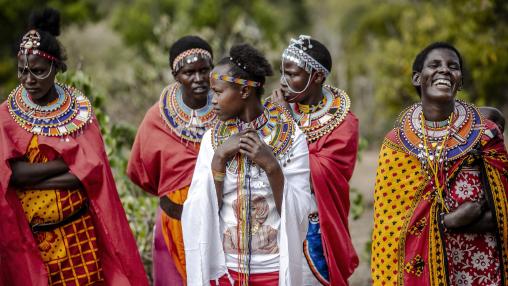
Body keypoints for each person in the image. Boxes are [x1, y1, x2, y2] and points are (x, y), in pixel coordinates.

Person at [0, 8, 148, 285]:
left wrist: (34, 177)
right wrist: (66, 165)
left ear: (56, 68)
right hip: (31, 242)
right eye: (23, 71)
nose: (29, 79)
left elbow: (93, 174)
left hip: (78, 234)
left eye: (39, 71)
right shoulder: (6, 116)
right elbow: (11, 177)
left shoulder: (79, 113)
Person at [371, 42, 508, 285]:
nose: (444, 70)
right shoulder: (397, 144)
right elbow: (391, 226)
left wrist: (469, 220)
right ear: (417, 78)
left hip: (484, 263)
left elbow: (502, 207)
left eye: (452, 66)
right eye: (434, 65)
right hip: (424, 269)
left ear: (460, 81)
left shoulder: (485, 133)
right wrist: (448, 221)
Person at [181, 43, 312, 285]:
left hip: (274, 269)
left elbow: (302, 212)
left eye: (219, 92)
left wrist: (272, 167)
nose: (213, 101)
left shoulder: (291, 137)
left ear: (243, 91)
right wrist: (219, 159)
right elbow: (200, 210)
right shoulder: (213, 140)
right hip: (225, 269)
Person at [127, 35, 216, 285]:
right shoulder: (156, 118)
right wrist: (178, 192)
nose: (198, 79)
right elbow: (140, 171)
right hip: (171, 222)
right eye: (189, 72)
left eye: (204, 71)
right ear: (176, 75)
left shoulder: (227, 110)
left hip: (220, 224)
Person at [270, 35, 359, 286]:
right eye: (282, 73)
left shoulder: (345, 123)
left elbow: (315, 174)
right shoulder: (274, 112)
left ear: (317, 77)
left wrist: (287, 122)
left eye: (292, 75)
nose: (283, 82)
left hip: (316, 226)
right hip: (273, 221)